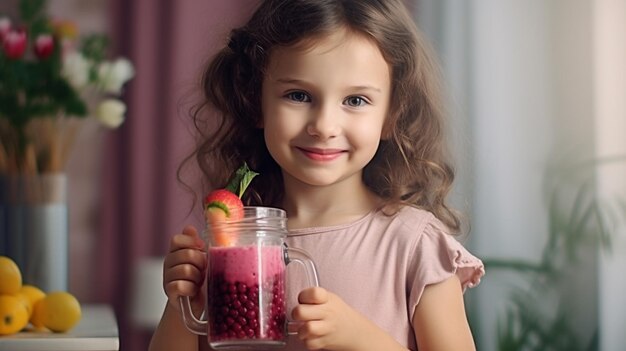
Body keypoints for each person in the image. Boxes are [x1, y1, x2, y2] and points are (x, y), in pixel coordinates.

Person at [149, 0, 484, 350]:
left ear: (391, 115)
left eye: (355, 100)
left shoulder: (415, 245)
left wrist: (361, 339)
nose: (324, 126)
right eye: (299, 95)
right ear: (255, 100)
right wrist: (184, 303)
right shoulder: (236, 243)